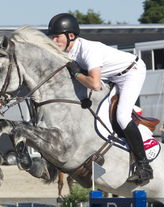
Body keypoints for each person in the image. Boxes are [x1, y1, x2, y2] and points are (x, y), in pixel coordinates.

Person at [47, 13, 153, 184]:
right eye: (52, 37)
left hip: (131, 73)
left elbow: (95, 84)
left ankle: (144, 166)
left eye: (56, 37)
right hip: (111, 77)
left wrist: (76, 73)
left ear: (70, 35)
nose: (53, 41)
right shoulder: (69, 53)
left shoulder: (89, 50)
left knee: (122, 116)